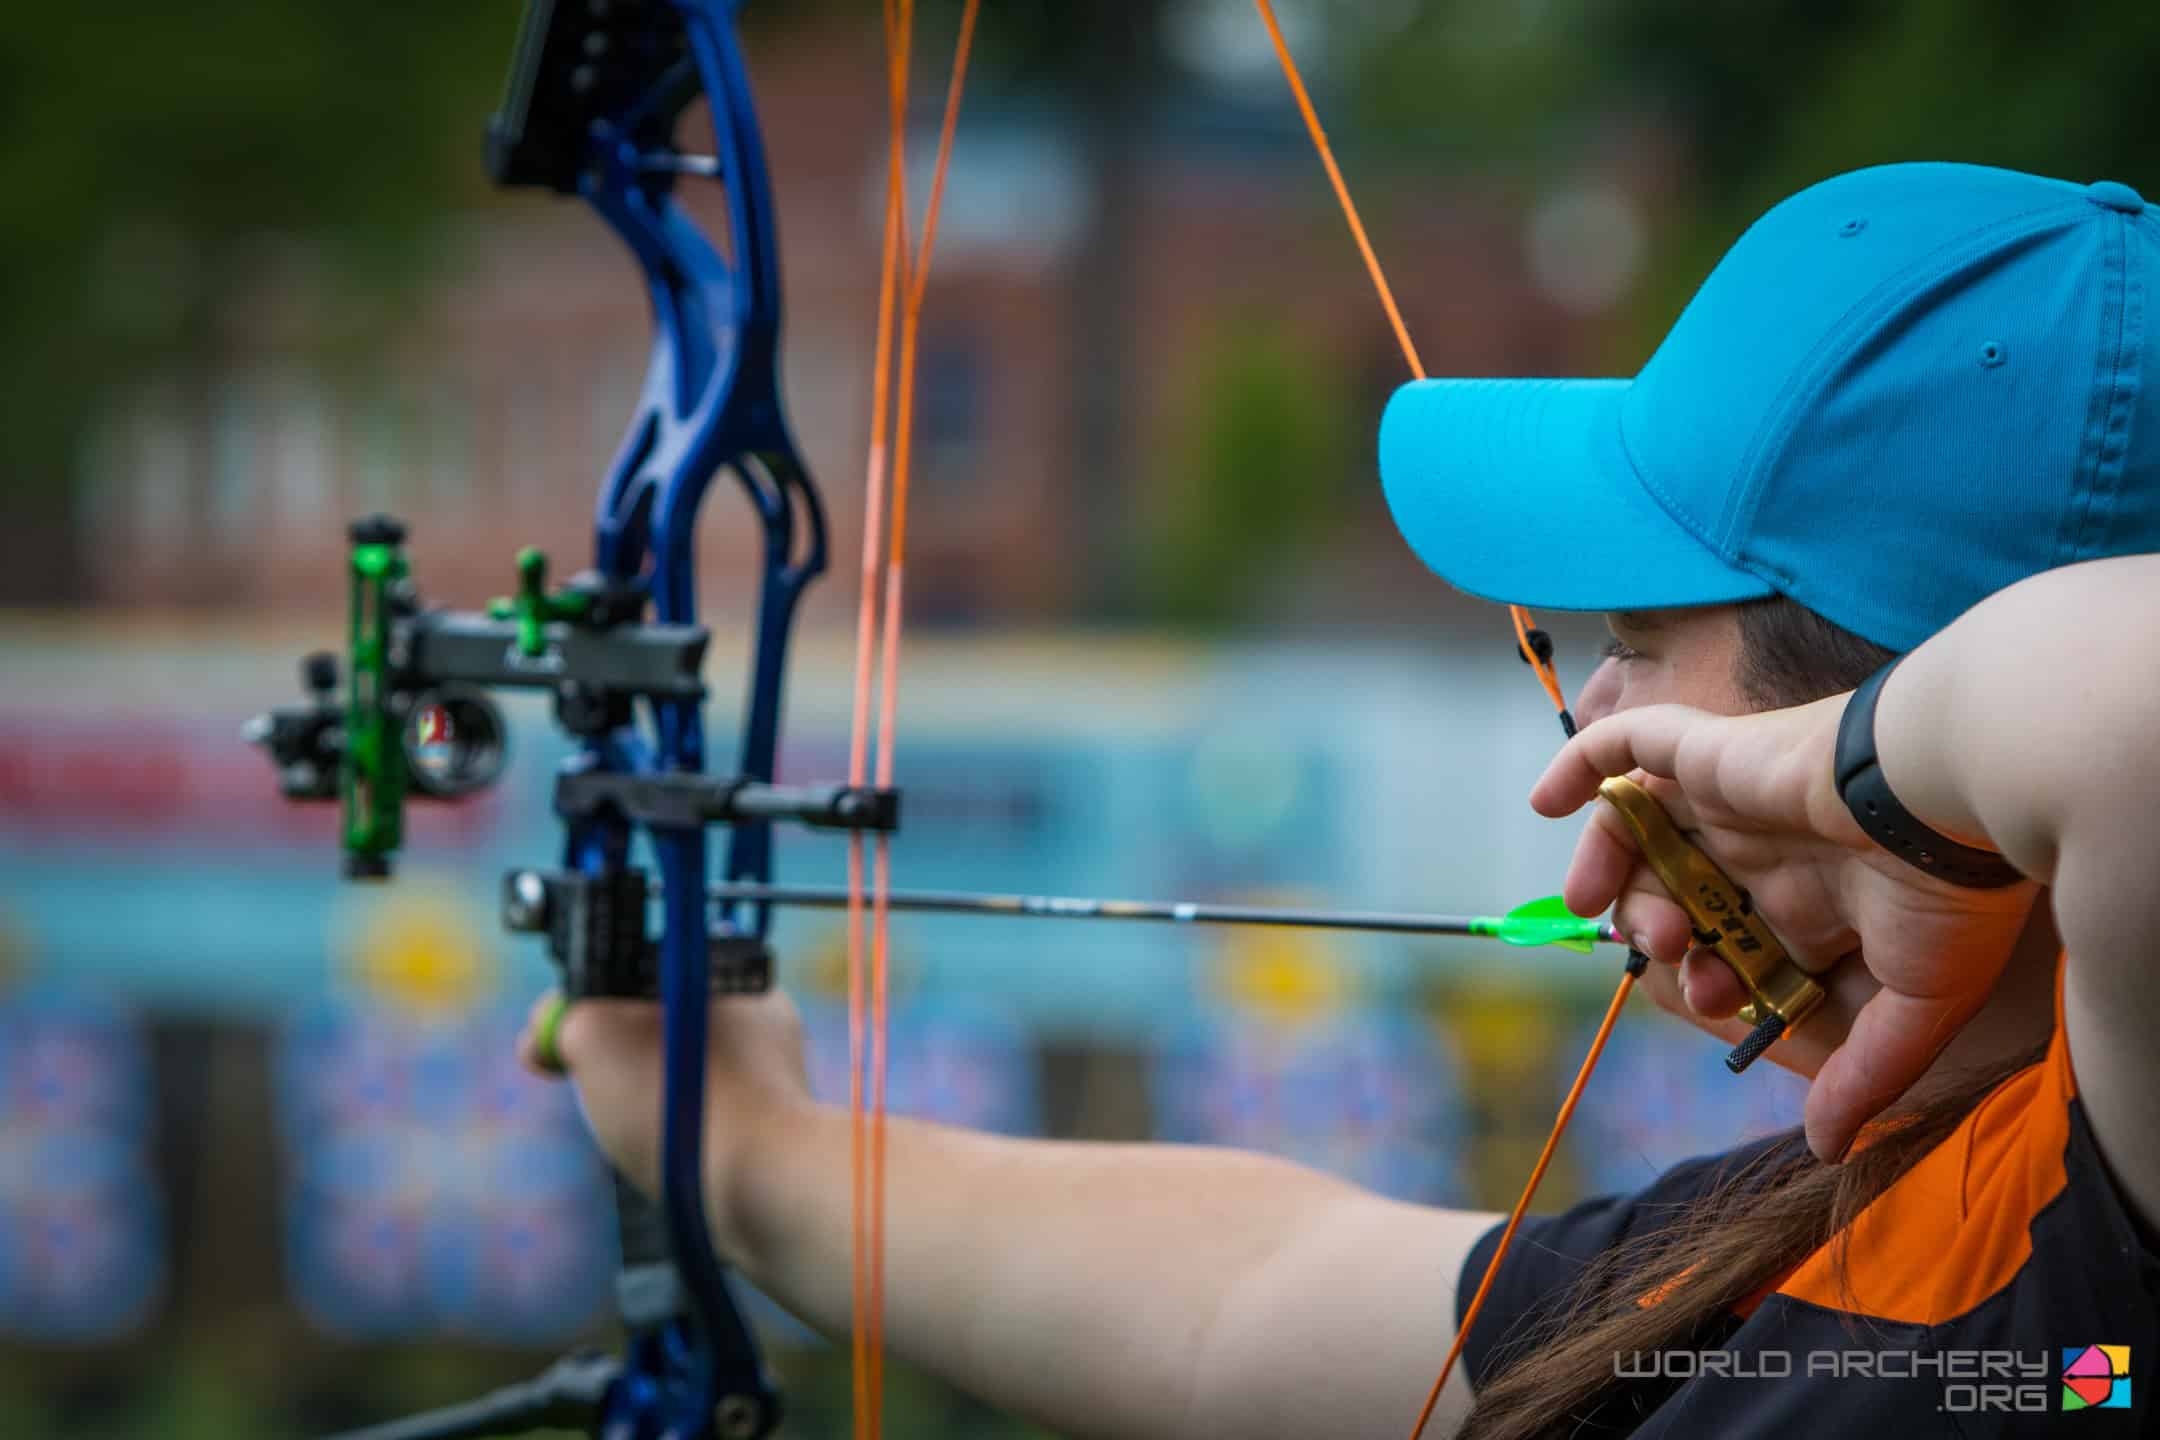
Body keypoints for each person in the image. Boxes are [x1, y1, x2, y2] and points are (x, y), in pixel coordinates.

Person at [519, 163, 2160, 1437]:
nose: (1592, 717)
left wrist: (1859, 787)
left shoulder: (2099, 1270)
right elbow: (1247, 1299)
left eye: (1647, 640)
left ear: (1898, 694)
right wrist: (743, 1148)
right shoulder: (1857, 1235)